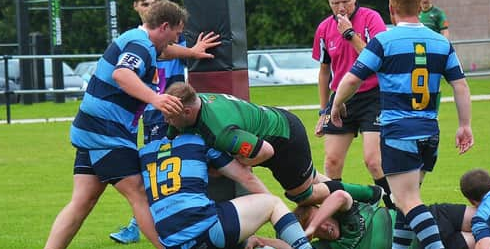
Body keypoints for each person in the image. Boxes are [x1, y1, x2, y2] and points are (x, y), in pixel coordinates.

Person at [30, 0, 188, 249]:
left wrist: (195, 53)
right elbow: (122, 73)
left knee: (83, 199)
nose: (177, 40)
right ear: (164, 26)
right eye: (177, 33)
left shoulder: (139, 41)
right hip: (105, 133)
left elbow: (165, 53)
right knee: (139, 192)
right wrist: (156, 98)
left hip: (90, 128)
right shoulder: (141, 45)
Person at [330, 0, 474, 249]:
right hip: (429, 132)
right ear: (419, 7)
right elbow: (460, 85)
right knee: (404, 197)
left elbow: (354, 78)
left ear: (392, 8)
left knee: (407, 200)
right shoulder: (440, 42)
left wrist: (335, 105)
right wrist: (464, 125)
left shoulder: (385, 41)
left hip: (400, 131)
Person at [140, 133, 355, 249]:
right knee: (272, 203)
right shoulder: (198, 140)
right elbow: (246, 178)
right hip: (206, 232)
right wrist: (280, 219)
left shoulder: (145, 153)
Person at [109, 0, 221, 244]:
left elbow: (168, 52)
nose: (149, 8)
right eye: (144, 4)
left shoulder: (166, 35)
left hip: (166, 107)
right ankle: (147, 222)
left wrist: (192, 52)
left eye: (153, 3)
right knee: (151, 166)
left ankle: (153, 222)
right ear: (136, 7)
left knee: (166, 164)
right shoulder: (138, 39)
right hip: (147, 109)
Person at [163, 82, 384, 207]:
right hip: (272, 129)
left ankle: (367, 193)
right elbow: (171, 136)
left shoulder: (220, 131)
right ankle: (373, 195)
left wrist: (235, 162)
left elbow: (265, 152)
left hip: (284, 139)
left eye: (170, 117)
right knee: (312, 179)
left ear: (188, 112)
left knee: (303, 196)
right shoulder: (192, 102)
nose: (167, 122)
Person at [312, 0, 392, 205]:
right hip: (341, 100)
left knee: (373, 161)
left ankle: (396, 212)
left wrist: (349, 34)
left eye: (346, 1)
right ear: (328, 3)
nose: (341, 8)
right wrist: (323, 110)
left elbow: (377, 58)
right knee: (331, 162)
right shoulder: (324, 29)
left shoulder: (370, 18)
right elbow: (324, 72)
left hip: (373, 96)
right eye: (335, 3)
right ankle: (342, 215)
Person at [243, 190, 475, 249]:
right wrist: (259, 240)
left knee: (489, 219)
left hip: (431, 216)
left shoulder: (347, 211)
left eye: (323, 219)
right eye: (318, 231)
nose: (323, 228)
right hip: (430, 247)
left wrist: (312, 225)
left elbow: (340, 195)